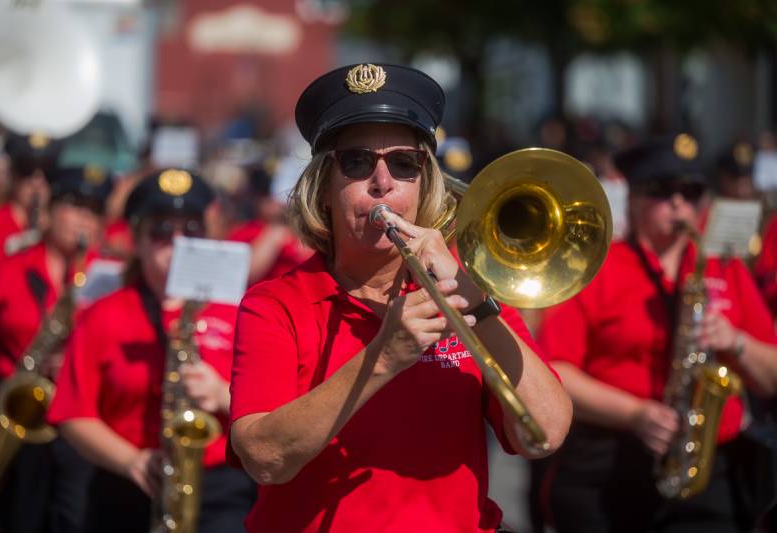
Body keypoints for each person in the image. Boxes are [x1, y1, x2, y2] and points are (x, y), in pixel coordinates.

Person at [227, 63, 572, 532]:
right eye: (357, 162)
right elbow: (265, 458)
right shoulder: (274, 304)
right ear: (324, 188)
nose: (383, 181)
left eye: (404, 163)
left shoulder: (467, 294)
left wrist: (474, 300)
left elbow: (545, 433)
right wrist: (385, 356)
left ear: (423, 183)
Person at [534, 134, 777, 533]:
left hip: (708, 469)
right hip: (609, 468)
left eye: (692, 191)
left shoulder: (723, 267)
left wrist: (735, 340)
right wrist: (635, 414)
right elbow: (556, 369)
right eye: (662, 191)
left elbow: (770, 377)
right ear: (633, 197)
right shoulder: (599, 267)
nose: (679, 204)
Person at [48, 168, 257, 533]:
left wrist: (224, 395)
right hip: (128, 484)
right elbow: (70, 412)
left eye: (190, 229)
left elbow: (277, 410)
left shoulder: (241, 311)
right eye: (160, 230)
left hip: (221, 487)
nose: (176, 241)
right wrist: (132, 461)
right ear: (138, 240)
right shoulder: (104, 314)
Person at [0, 164, 112, 533]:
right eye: (74, 206)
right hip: (14, 419)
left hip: (81, 423)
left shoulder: (112, 280)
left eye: (94, 210)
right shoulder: (9, 268)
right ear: (50, 211)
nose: (84, 219)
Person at [0, 133, 61, 297]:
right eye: (27, 170)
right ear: (14, 174)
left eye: (47, 172)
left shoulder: (59, 232)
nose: (37, 181)